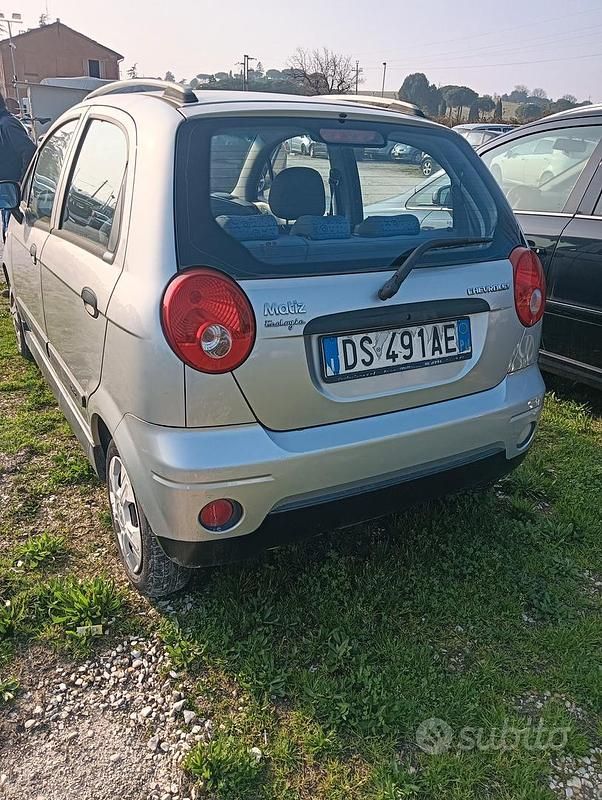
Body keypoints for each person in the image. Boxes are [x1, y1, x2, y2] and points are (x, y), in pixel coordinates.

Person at [0, 93, 36, 240]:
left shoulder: (7, 125)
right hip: (7, 196)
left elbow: (29, 150)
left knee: (13, 242)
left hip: (14, 197)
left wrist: (22, 183)